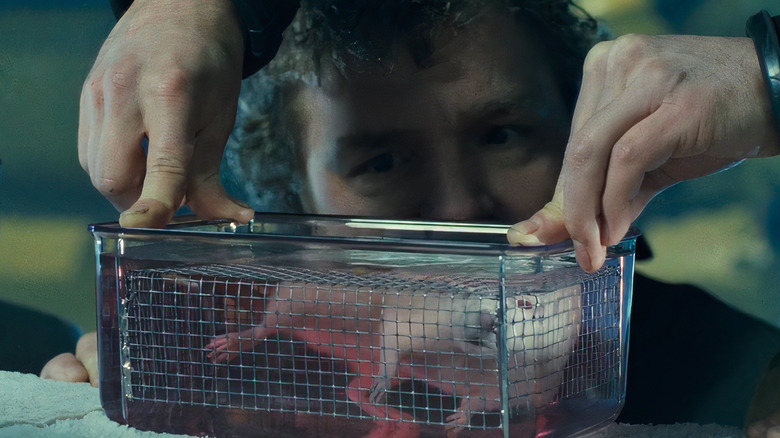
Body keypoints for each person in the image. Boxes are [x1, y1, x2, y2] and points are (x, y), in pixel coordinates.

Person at [49, 0, 780, 433]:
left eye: (502, 135)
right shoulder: (247, 384)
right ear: (294, 203)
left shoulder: (744, 381)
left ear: (590, 133)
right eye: (382, 163)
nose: (462, 206)